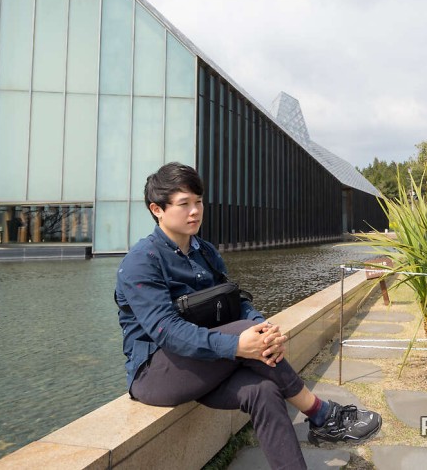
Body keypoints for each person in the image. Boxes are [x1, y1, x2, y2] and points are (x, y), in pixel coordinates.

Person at [115, 163, 381, 469]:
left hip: (206, 362)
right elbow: (167, 331)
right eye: (183, 204)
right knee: (243, 333)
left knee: (264, 391)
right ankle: (321, 413)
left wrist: (262, 328)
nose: (195, 212)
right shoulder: (141, 262)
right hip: (157, 374)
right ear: (157, 210)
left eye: (198, 202)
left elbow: (235, 301)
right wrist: (236, 346)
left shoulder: (204, 251)